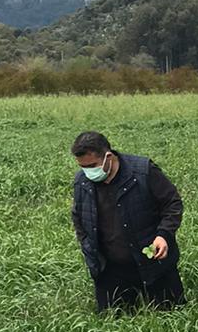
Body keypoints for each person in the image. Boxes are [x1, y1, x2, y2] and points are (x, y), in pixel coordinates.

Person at [70, 131, 185, 310]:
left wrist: (164, 235)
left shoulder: (143, 172)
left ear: (108, 156)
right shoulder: (82, 181)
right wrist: (87, 244)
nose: (88, 171)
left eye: (92, 165)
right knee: (112, 322)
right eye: (83, 167)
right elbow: (78, 216)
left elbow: (172, 203)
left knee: (171, 314)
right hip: (110, 269)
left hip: (153, 262)